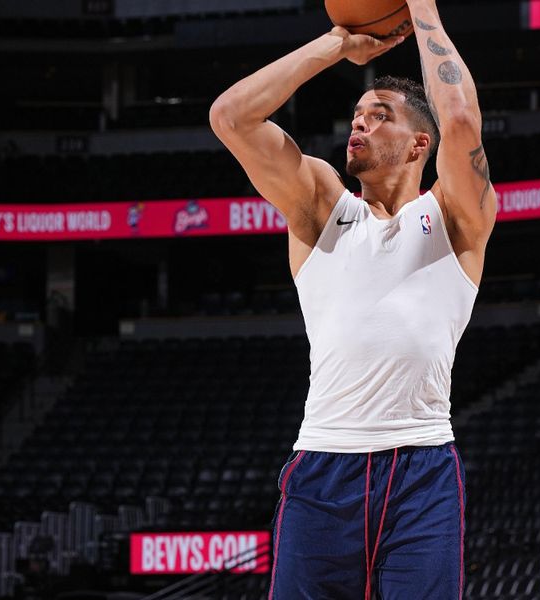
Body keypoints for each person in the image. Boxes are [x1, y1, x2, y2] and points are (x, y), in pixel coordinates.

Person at [209, 1, 495, 597]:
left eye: (379, 115)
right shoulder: (320, 206)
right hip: (323, 465)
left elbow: (461, 122)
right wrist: (338, 44)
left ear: (420, 145)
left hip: (422, 466)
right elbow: (231, 116)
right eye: (356, 114)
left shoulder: (455, 216)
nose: (358, 125)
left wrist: (420, 10)